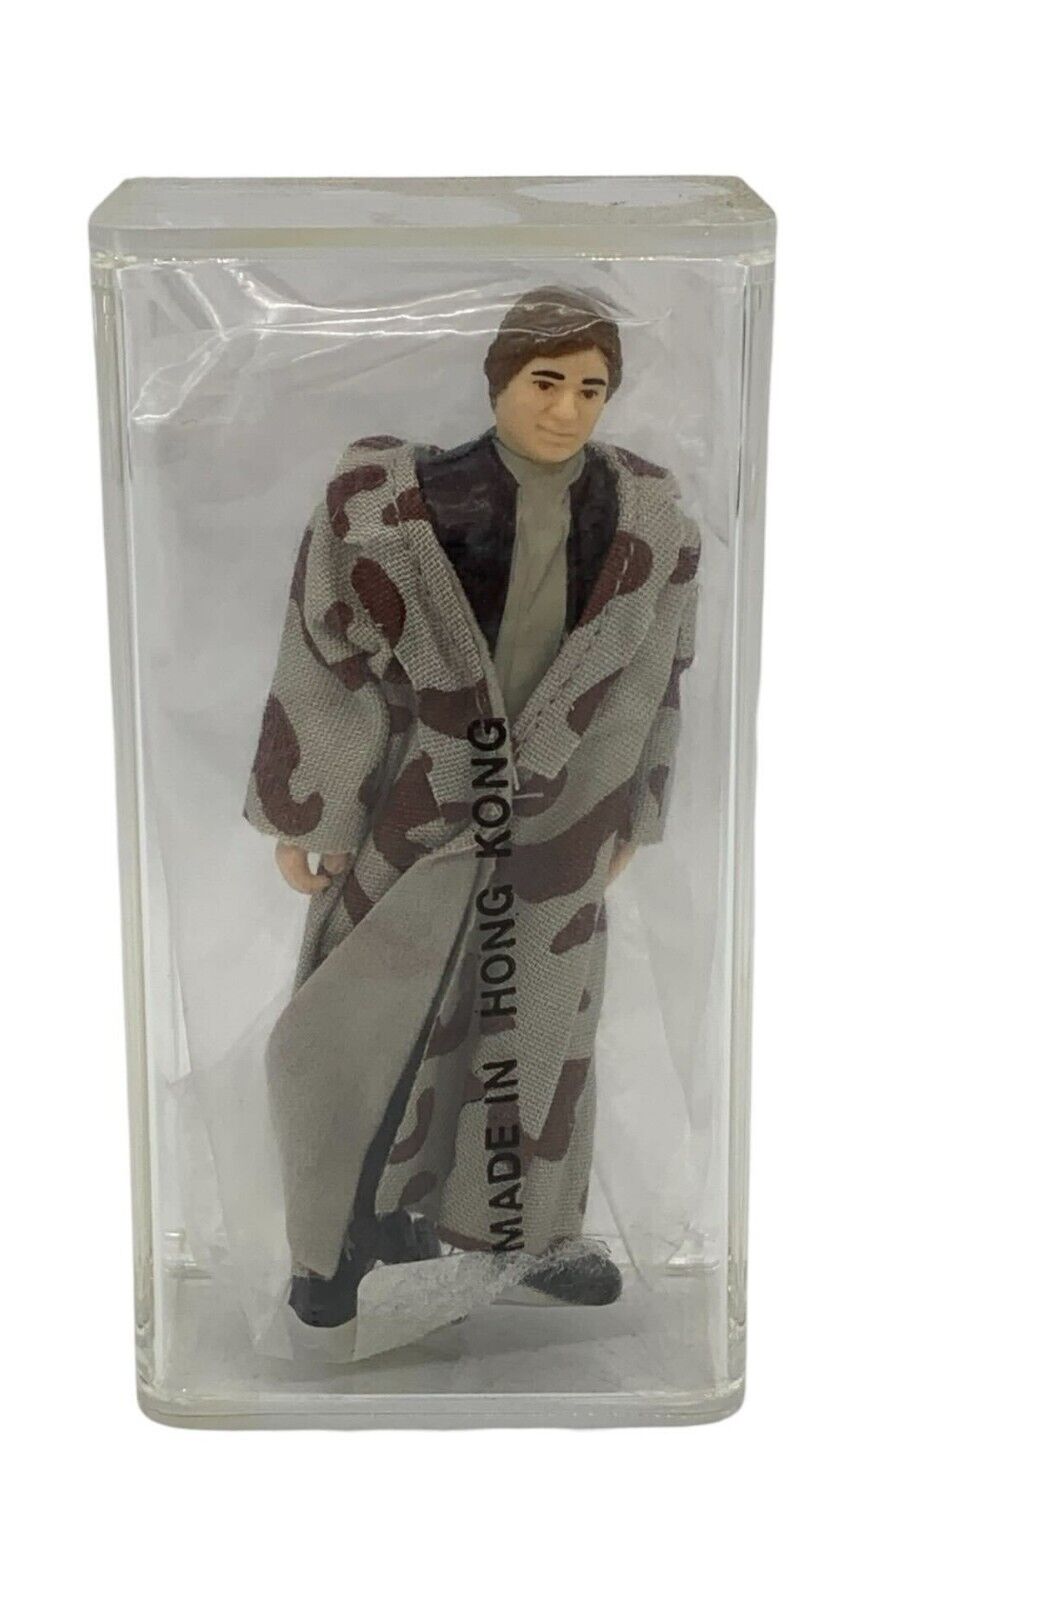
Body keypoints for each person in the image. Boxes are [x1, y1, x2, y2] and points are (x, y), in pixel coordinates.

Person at [245, 285, 700, 1340]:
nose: (567, 410)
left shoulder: (647, 520)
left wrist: (630, 809)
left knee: (538, 1024)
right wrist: (316, 809)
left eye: (592, 388)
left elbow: (652, 681)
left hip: (560, 812)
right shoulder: (395, 507)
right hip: (425, 803)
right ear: (499, 380)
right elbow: (328, 656)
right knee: (364, 1020)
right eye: (546, 382)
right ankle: (334, 1243)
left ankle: (518, 1233)